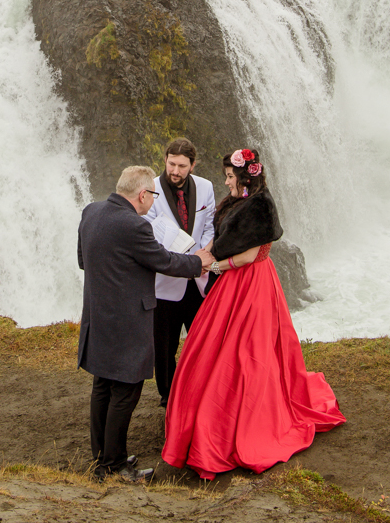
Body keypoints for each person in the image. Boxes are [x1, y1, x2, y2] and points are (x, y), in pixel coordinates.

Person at [160, 148, 344, 479]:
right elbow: (222, 240)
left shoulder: (260, 207)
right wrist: (203, 256)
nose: (226, 182)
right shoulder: (239, 201)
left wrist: (213, 266)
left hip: (251, 283)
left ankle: (236, 415)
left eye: (230, 177)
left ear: (245, 179)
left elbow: (248, 256)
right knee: (220, 345)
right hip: (234, 283)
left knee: (246, 350)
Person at [78, 165, 214, 482]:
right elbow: (163, 261)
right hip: (127, 322)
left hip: (98, 316)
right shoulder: (135, 225)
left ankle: (101, 459)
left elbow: (84, 260)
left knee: (102, 388)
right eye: (153, 195)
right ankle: (115, 466)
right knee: (125, 392)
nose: (154, 201)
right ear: (142, 195)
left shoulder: (91, 211)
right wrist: (198, 262)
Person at [144, 137, 218, 407]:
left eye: (182, 166)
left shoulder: (206, 187)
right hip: (165, 283)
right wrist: (184, 262)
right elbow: (148, 233)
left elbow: (210, 225)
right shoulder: (149, 189)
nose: (175, 171)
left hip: (199, 280)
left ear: (193, 165)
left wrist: (203, 255)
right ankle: (169, 396)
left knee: (203, 342)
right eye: (171, 164)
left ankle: (202, 390)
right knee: (164, 347)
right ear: (165, 160)